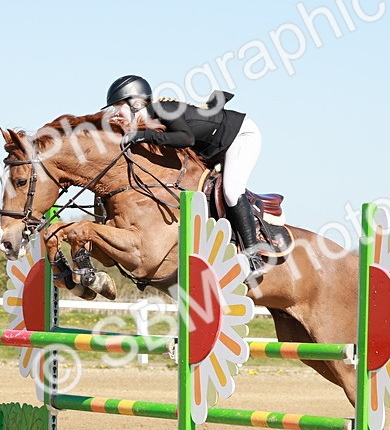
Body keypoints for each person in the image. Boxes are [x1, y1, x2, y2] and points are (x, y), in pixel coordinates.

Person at [105, 74, 272, 278]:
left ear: (136, 103)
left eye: (118, 106)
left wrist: (142, 135)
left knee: (231, 190)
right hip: (213, 146)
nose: (115, 113)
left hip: (240, 135)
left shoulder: (162, 110)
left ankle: (253, 255)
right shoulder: (148, 120)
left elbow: (186, 137)